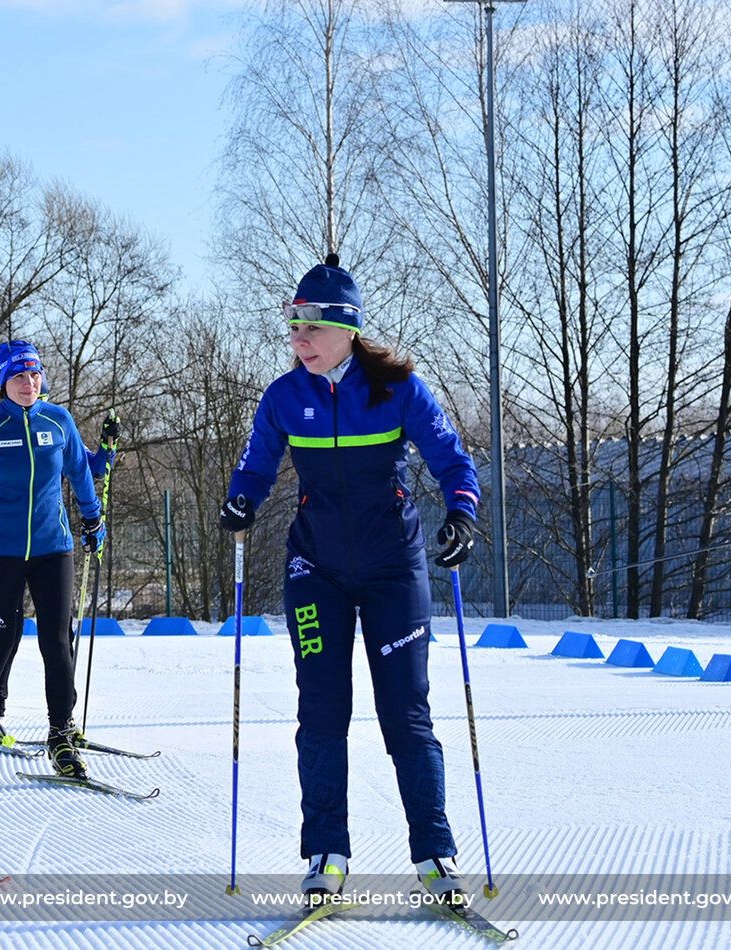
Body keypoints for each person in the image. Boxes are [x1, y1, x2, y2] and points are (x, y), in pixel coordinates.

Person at [219, 254, 481, 905]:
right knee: (321, 711)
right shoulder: (284, 396)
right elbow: (255, 466)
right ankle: (325, 853)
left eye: (309, 328)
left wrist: (462, 512)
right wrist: (240, 499)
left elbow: (452, 460)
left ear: (346, 330)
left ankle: (435, 856)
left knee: (405, 715)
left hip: (394, 566)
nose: (297, 341)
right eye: (292, 328)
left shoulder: (396, 389)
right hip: (316, 570)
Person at [0, 340, 115, 785]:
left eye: (34, 375)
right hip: (0, 553)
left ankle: (62, 735)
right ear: (2, 382)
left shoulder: (59, 420)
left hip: (55, 549)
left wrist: (93, 518)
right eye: (18, 376)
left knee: (57, 642)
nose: (28, 383)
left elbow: (78, 471)